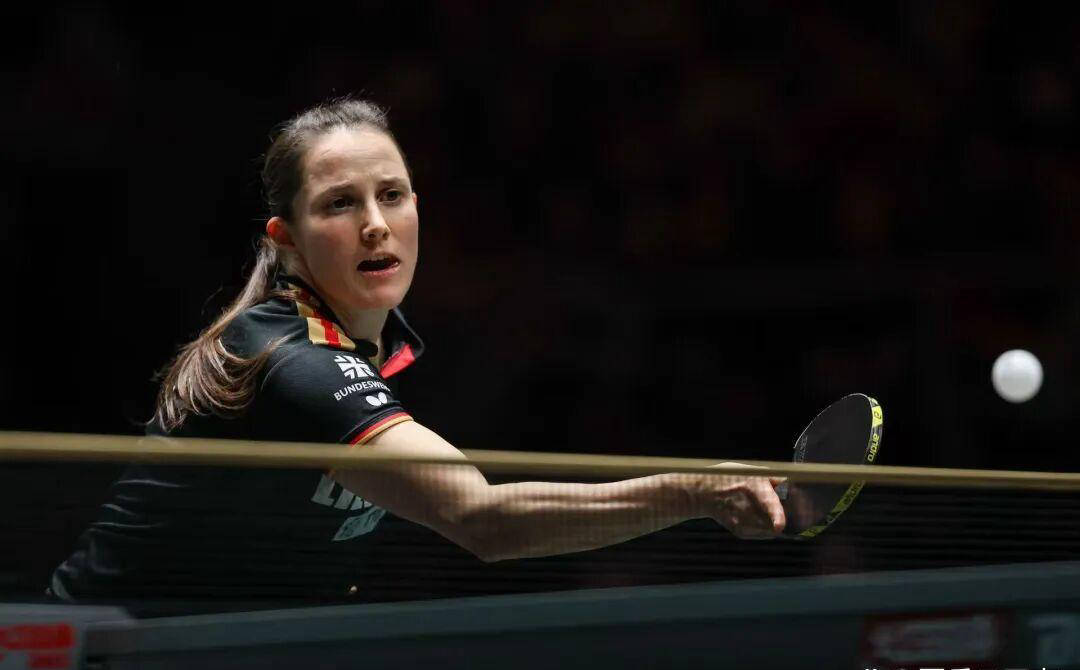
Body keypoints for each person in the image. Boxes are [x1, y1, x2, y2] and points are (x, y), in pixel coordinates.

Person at [51, 98, 785, 604]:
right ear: (287, 241)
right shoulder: (295, 361)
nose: (375, 223)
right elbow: (482, 518)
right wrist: (695, 491)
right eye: (340, 203)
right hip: (105, 649)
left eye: (393, 195)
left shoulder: (373, 347)